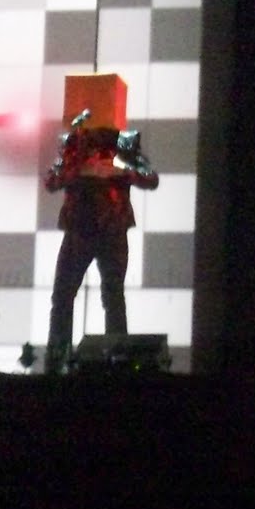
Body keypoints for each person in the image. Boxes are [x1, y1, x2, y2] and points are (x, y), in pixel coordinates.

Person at [43, 110, 160, 373]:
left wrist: (120, 171)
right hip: (79, 229)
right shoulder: (74, 144)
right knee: (63, 295)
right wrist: (79, 170)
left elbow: (151, 178)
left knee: (113, 296)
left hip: (112, 228)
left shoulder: (124, 143)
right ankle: (57, 358)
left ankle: (118, 360)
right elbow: (51, 180)